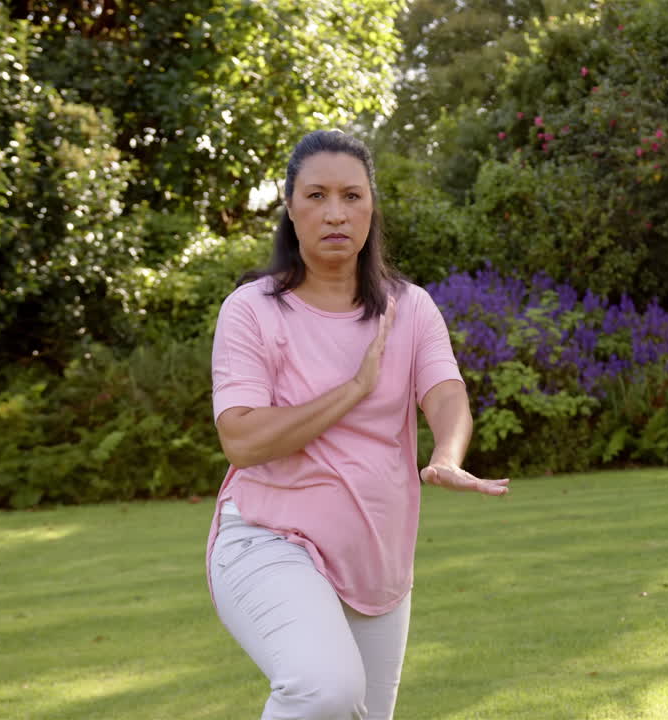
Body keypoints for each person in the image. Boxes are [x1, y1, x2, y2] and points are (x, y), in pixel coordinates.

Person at [205, 129, 509, 720]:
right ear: (290, 207)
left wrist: (447, 455)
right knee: (325, 690)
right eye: (316, 196)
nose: (335, 213)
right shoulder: (252, 310)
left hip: (378, 560)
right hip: (268, 538)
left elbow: (445, 392)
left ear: (372, 206)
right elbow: (240, 438)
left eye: (351, 196)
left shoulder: (410, 308)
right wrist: (353, 390)